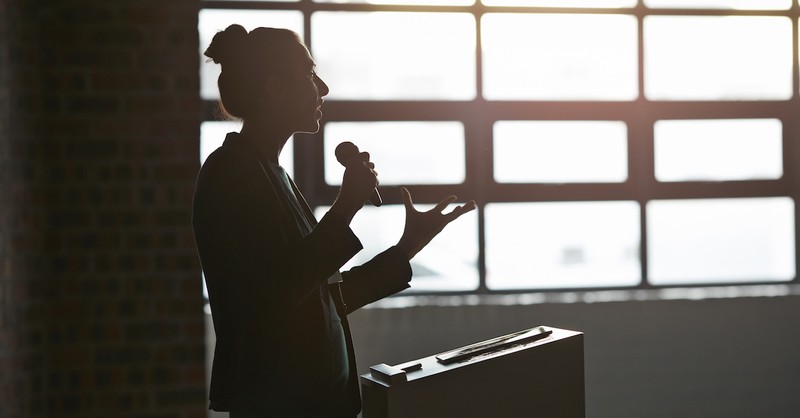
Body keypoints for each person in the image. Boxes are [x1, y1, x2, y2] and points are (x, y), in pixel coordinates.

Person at [192, 24, 476, 418]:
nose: (322, 88)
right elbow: (272, 294)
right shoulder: (228, 173)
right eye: (310, 74)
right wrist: (346, 206)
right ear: (276, 86)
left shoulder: (273, 174)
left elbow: (323, 297)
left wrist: (408, 246)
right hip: (279, 404)